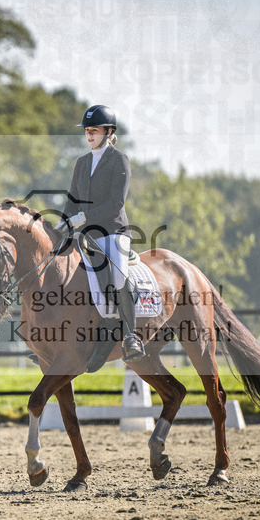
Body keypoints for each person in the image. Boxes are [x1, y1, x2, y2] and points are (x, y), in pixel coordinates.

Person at [58, 104, 145, 366]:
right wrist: (62, 224)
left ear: (108, 132)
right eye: (87, 131)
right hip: (85, 234)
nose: (89, 135)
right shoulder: (82, 162)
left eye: (94, 130)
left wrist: (84, 217)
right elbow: (72, 200)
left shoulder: (119, 160)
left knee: (118, 273)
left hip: (112, 231)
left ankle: (131, 335)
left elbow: (115, 203)